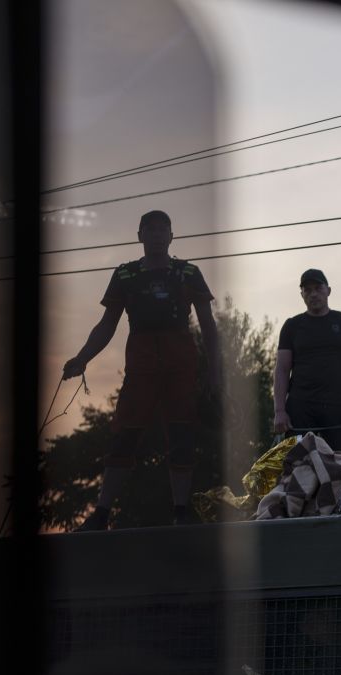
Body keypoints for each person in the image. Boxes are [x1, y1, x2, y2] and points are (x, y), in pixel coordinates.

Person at [64, 209, 219, 530]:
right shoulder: (125, 275)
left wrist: (216, 372)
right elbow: (107, 325)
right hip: (142, 364)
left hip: (181, 364)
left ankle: (181, 513)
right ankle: (101, 514)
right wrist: (81, 359)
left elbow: (208, 326)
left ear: (172, 236)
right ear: (140, 236)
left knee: (181, 435)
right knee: (124, 435)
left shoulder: (188, 272)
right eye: (151, 229)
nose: (158, 235)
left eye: (164, 229)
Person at [272, 268, 341, 454]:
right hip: (300, 408)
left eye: (318, 288)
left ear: (328, 290)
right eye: (307, 290)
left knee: (339, 467)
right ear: (302, 295)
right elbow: (281, 370)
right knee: (298, 468)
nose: (313, 294)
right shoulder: (292, 326)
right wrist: (279, 411)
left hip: (337, 408)